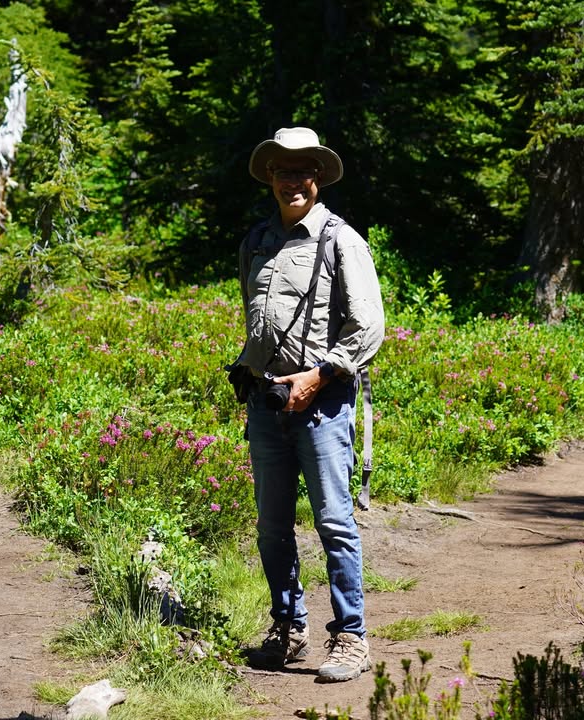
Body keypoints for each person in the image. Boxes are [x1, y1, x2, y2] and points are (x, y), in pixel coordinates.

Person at [233, 127, 385, 682]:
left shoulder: (342, 240)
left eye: (302, 171)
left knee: (334, 522)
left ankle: (351, 637)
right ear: (270, 177)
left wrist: (318, 377)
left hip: (323, 405)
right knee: (271, 526)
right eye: (282, 170)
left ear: (316, 179)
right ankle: (287, 629)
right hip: (267, 403)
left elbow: (368, 327)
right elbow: (254, 317)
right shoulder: (256, 242)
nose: (291, 180)